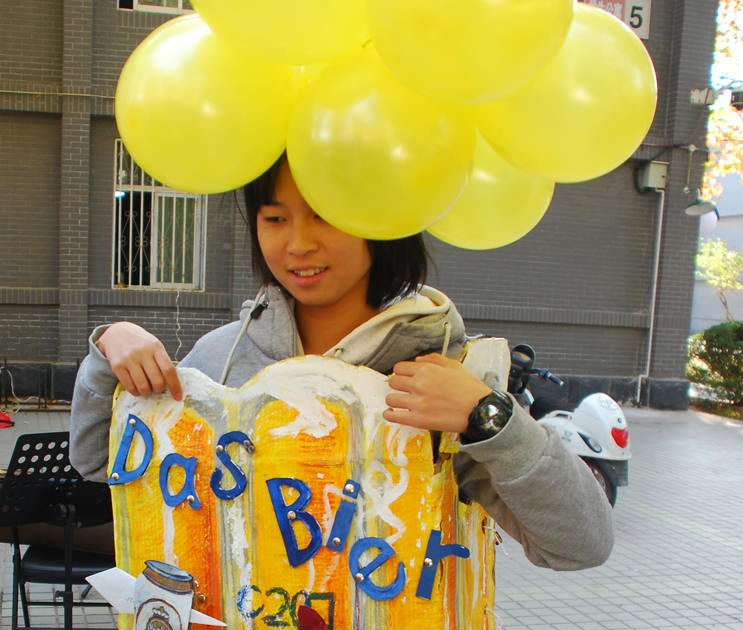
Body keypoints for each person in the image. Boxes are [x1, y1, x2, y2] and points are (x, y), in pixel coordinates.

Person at [70, 155, 613, 570]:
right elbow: (99, 463)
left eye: (325, 215)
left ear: (383, 222)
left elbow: (580, 546)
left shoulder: (446, 376)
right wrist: (109, 349)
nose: (297, 244)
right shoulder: (224, 354)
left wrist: (490, 417)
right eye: (275, 217)